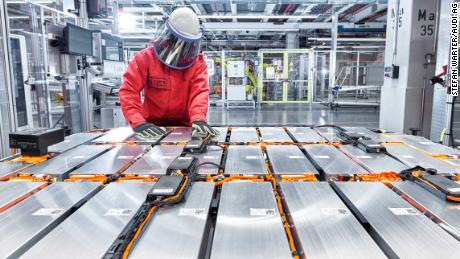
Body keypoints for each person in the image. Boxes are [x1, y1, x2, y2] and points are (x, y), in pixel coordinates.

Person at [119, 7, 218, 139]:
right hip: (152, 128)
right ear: (168, 36)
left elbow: (199, 93)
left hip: (186, 127)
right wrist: (138, 122)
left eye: (186, 44)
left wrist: (199, 118)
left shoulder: (197, 64)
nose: (180, 48)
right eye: (177, 41)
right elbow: (129, 90)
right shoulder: (145, 58)